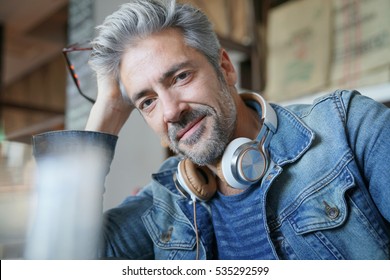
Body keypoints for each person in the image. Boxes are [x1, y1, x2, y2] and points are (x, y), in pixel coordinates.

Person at [32, 0, 390, 260]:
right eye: (147, 101)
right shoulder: (165, 201)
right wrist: (106, 109)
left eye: (181, 76)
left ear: (225, 68)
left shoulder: (349, 128)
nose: (172, 111)